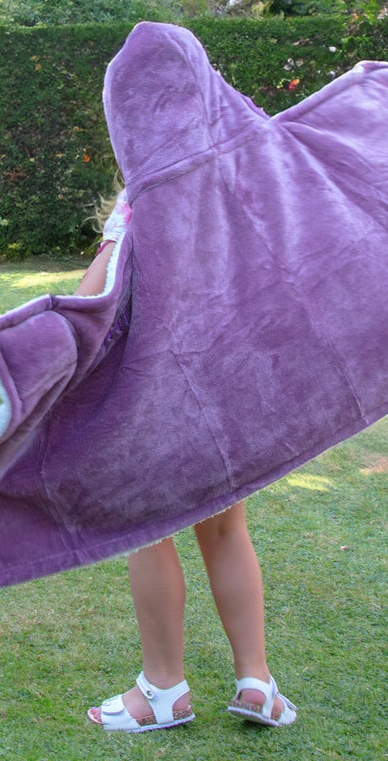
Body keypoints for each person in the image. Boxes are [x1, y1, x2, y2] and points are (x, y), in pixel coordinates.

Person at [81, 191, 296, 733]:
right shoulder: (235, 190)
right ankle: (257, 683)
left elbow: (92, 301)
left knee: (147, 533)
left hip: (152, 390)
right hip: (228, 383)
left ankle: (163, 690)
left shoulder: (142, 198)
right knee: (225, 530)